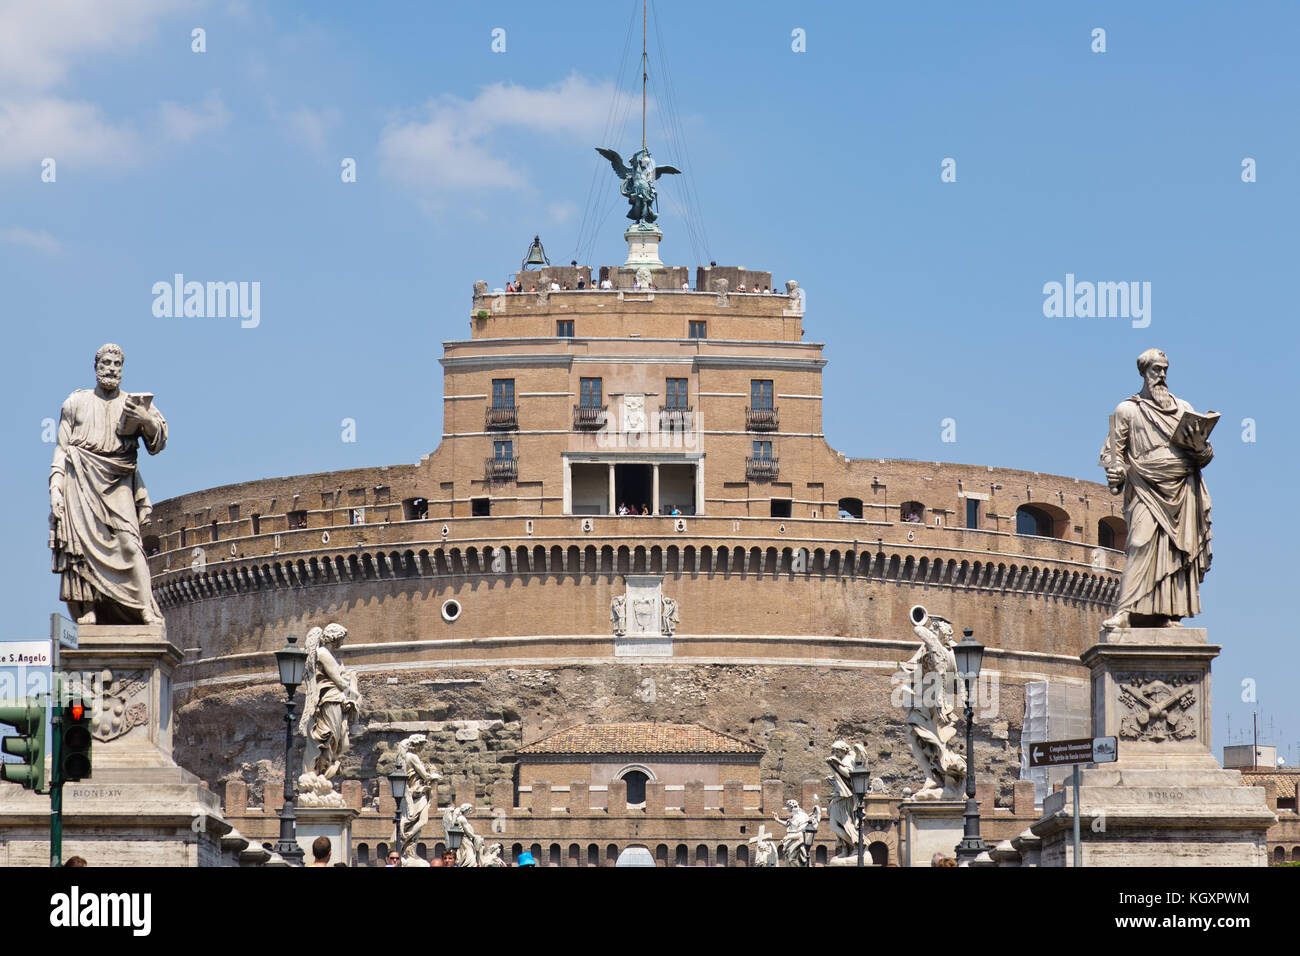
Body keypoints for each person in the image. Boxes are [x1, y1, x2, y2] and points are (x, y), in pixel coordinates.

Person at [50, 343, 168, 625]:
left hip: (119, 482)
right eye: (106, 364)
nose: (111, 369)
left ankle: (145, 608)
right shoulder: (75, 403)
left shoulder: (134, 404)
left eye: (117, 364)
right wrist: (55, 486)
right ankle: (87, 606)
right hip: (80, 479)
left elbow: (158, 442)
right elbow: (61, 448)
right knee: (81, 546)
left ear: (123, 369)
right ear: (96, 367)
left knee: (130, 543)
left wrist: (145, 419)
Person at [1100, 349, 1213, 629]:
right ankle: (1126, 612)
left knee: (1175, 550)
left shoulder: (1184, 409)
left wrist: (1201, 447)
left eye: (1164, 369)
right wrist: (1117, 473)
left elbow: (1205, 455)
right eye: (1155, 370)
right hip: (1145, 487)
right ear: (1143, 372)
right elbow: (1115, 455)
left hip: (1181, 487)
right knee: (1140, 543)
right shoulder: (1126, 410)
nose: (1161, 375)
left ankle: (1168, 613)